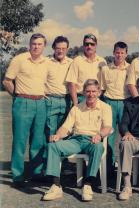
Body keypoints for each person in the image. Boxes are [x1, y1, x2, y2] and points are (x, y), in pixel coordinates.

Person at [42, 79, 112, 201]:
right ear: (84, 93)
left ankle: (88, 184)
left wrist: (100, 135)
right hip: (76, 140)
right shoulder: (76, 108)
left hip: (92, 140)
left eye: (94, 91)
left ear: (99, 92)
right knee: (52, 146)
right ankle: (56, 186)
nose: (91, 94)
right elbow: (66, 127)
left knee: (99, 147)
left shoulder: (105, 107)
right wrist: (58, 135)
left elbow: (108, 127)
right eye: (88, 91)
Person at [3, 33, 49, 186]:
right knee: (20, 141)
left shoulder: (46, 62)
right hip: (23, 102)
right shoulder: (19, 59)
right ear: (30, 44)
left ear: (44, 46)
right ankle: (18, 175)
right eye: (34, 43)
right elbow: (7, 81)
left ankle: (36, 174)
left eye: (39, 44)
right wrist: (17, 96)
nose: (36, 46)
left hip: (40, 103)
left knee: (38, 141)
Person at [100, 41, 130, 174]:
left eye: (122, 53)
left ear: (126, 54)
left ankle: (125, 167)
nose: (119, 55)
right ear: (113, 53)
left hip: (125, 103)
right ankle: (109, 167)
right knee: (109, 135)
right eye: (117, 52)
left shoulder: (130, 68)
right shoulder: (106, 69)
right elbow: (101, 88)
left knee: (126, 134)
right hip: (109, 102)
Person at [65, 34, 108, 105]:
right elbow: (71, 83)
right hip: (80, 98)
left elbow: (104, 84)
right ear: (83, 45)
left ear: (96, 45)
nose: (89, 46)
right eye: (86, 44)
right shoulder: (77, 61)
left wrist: (98, 96)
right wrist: (76, 103)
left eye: (92, 44)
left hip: (96, 98)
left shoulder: (102, 61)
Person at [45, 36, 73, 137]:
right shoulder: (46, 62)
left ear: (67, 49)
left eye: (63, 49)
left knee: (64, 131)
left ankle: (61, 152)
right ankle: (49, 152)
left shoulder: (72, 63)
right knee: (50, 132)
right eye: (58, 48)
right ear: (53, 48)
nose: (61, 51)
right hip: (51, 100)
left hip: (67, 100)